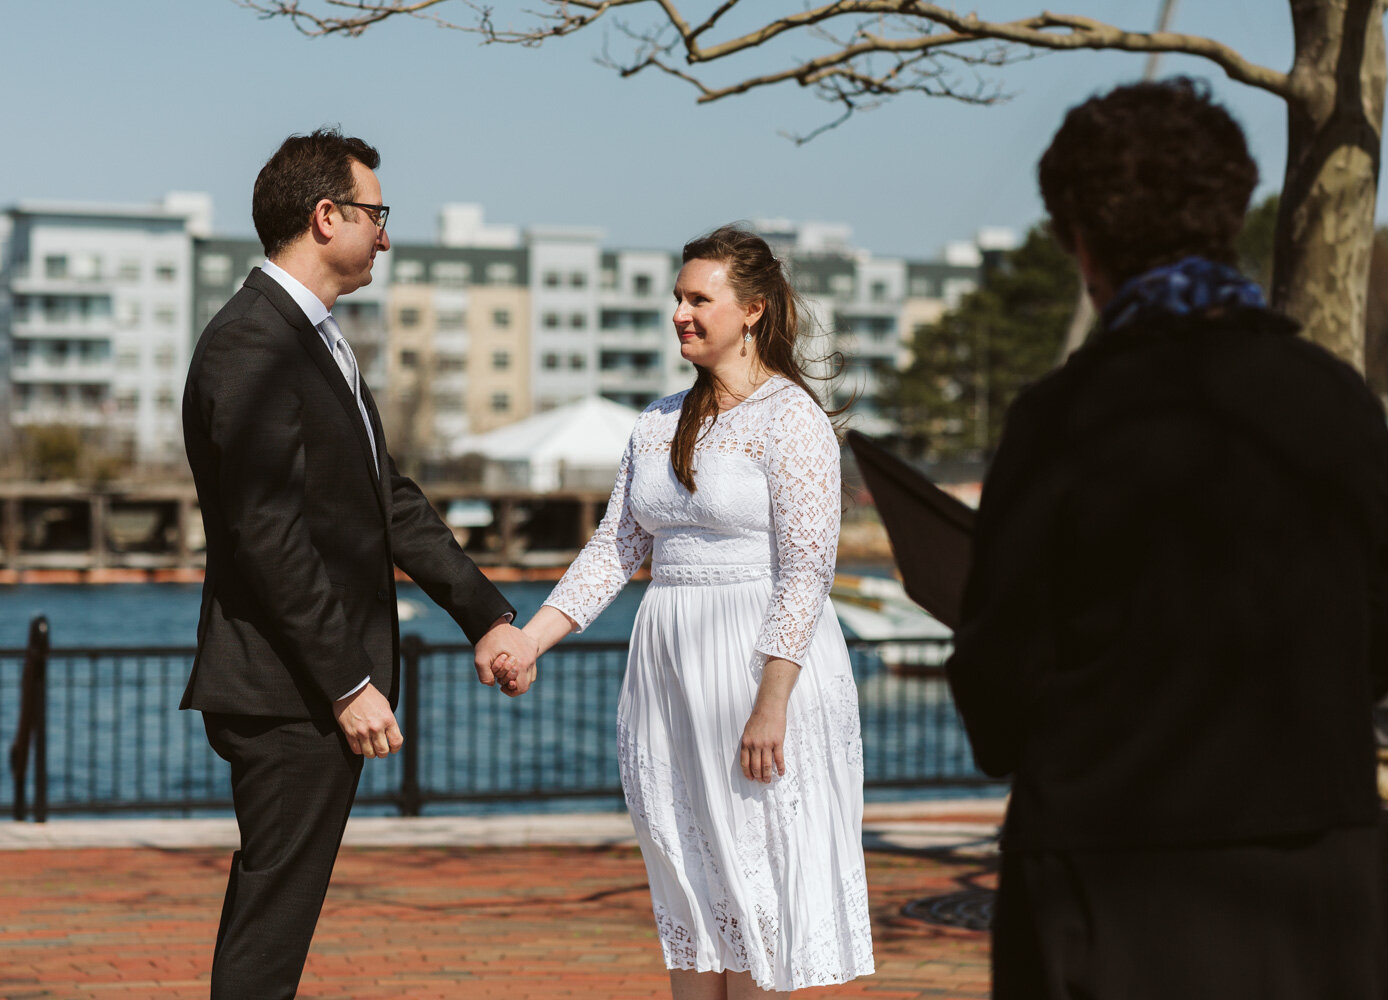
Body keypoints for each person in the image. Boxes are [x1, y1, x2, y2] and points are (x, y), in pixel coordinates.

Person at [945, 79, 1388, 1000]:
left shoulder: (1062, 420)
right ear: (1226, 213)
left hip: (1107, 874)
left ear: (1082, 239)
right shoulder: (1331, 402)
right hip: (1314, 867)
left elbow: (1002, 681)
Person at [180, 127, 537, 999]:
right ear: (325, 214)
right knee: (272, 927)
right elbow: (268, 532)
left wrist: (483, 613)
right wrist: (347, 682)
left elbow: (387, 504)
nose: (386, 234)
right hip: (288, 692)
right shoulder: (251, 345)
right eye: (376, 214)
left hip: (304, 688)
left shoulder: (314, 339)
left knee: (276, 917)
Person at [503, 225, 874, 997]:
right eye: (677, 297)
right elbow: (613, 548)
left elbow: (808, 571)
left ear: (753, 311)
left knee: (758, 878)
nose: (681, 312)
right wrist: (532, 639)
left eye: (699, 298)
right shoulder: (657, 420)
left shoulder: (790, 418)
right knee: (687, 872)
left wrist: (771, 702)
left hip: (761, 670)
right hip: (669, 667)